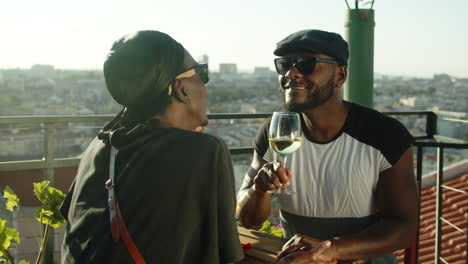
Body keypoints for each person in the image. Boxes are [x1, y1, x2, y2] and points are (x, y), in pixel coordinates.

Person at [59, 30, 331, 264]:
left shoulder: (102, 143)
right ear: (181, 88)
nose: (205, 83)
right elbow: (228, 254)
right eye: (200, 72)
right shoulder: (202, 150)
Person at [237, 29, 420, 264]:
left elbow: (404, 227)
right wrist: (260, 190)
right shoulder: (274, 133)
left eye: (306, 63)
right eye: (285, 64)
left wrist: (330, 250)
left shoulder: (385, 135)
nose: (292, 73)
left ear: (340, 75)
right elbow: (247, 219)